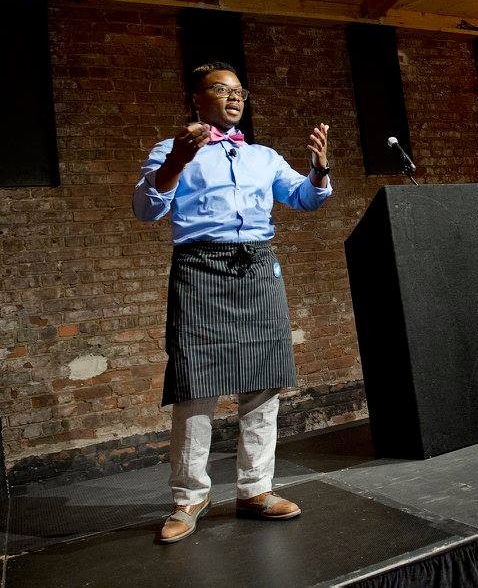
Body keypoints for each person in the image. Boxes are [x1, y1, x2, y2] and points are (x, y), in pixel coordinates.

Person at [132, 61, 332, 543]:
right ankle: (189, 497)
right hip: (201, 269)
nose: (235, 97)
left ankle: (255, 489)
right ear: (197, 99)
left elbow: (304, 199)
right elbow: (145, 209)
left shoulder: (263, 156)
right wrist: (176, 163)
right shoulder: (171, 150)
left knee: (263, 385)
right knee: (196, 388)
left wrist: (320, 169)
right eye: (222, 90)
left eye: (240, 90)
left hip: (259, 268)